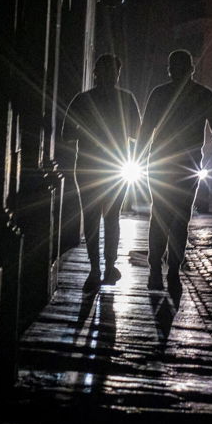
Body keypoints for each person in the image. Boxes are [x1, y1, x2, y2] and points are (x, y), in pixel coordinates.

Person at [138, 49, 212, 290]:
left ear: (170, 70)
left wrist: (136, 157)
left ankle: (156, 269)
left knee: (159, 214)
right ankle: (173, 271)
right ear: (192, 69)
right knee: (180, 217)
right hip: (188, 164)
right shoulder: (203, 95)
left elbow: (146, 131)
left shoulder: (159, 94)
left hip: (159, 163)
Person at [61, 54, 142, 285]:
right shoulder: (127, 99)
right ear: (116, 75)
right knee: (112, 218)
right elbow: (138, 133)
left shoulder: (82, 99)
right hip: (117, 165)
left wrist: (88, 131)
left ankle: (95, 268)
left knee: (92, 218)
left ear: (95, 73)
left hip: (88, 166)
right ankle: (109, 267)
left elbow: (67, 134)